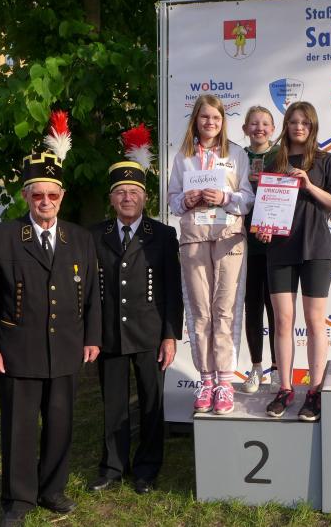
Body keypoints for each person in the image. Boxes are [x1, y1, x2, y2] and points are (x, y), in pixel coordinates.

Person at [0, 112, 101, 527]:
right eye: (37, 195)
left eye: (52, 195)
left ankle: (52, 490)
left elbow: (92, 295)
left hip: (66, 348)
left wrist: (92, 337)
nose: (45, 202)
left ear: (62, 196)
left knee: (60, 424)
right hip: (17, 351)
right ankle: (18, 499)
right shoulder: (1, 237)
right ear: (26, 196)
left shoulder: (80, 238)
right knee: (19, 428)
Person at [87, 125, 183, 495]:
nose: (128, 198)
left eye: (134, 192)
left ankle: (147, 468)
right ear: (112, 199)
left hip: (150, 333)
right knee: (113, 405)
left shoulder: (163, 235)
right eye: (121, 192)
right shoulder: (94, 236)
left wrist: (170, 335)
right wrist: (91, 334)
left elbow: (172, 289)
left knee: (151, 404)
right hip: (110, 334)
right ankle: (113, 466)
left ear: (145, 198)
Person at [258, 101, 331, 422]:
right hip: (280, 251)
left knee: (314, 322)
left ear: (312, 127)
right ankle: (284, 389)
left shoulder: (325, 160)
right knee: (283, 321)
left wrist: (309, 185)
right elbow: (264, 209)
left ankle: (315, 391)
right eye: (294, 121)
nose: (299, 127)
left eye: (305, 123)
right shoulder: (274, 163)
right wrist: (264, 227)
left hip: (316, 249)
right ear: (286, 126)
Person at [168, 94, 254, 415]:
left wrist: (225, 197)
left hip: (229, 237)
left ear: (223, 121)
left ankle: (225, 382)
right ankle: (206, 380)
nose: (210, 123)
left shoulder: (236, 154)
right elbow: (172, 200)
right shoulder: (184, 156)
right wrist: (186, 200)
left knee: (225, 308)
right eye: (205, 117)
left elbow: (247, 198)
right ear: (196, 120)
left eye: (216, 118)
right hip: (194, 238)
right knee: (200, 310)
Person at [241, 105, 279, 393]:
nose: (259, 128)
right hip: (245, 244)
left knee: (277, 309)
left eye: (265, 123)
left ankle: (278, 368)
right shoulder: (237, 157)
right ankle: (256, 367)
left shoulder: (281, 155)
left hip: (276, 245)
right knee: (252, 307)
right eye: (254, 124)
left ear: (273, 129)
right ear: (245, 129)